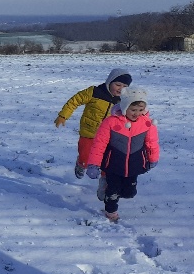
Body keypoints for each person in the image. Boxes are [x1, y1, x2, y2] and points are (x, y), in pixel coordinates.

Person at [86, 87, 160, 223]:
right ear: (125, 107)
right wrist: (93, 164)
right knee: (113, 190)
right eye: (133, 110)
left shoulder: (147, 124)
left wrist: (153, 158)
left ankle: (109, 189)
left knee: (129, 193)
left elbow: (152, 143)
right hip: (113, 163)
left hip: (134, 164)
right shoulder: (111, 122)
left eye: (140, 110)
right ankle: (111, 211)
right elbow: (99, 144)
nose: (137, 113)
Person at [54, 68, 132, 179]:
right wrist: (63, 115)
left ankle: (106, 181)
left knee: (107, 160)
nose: (121, 89)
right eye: (118, 85)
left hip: (108, 136)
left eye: (125, 86)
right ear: (109, 82)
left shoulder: (124, 101)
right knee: (86, 156)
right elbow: (74, 101)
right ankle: (81, 163)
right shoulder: (95, 92)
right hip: (89, 132)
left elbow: (130, 115)